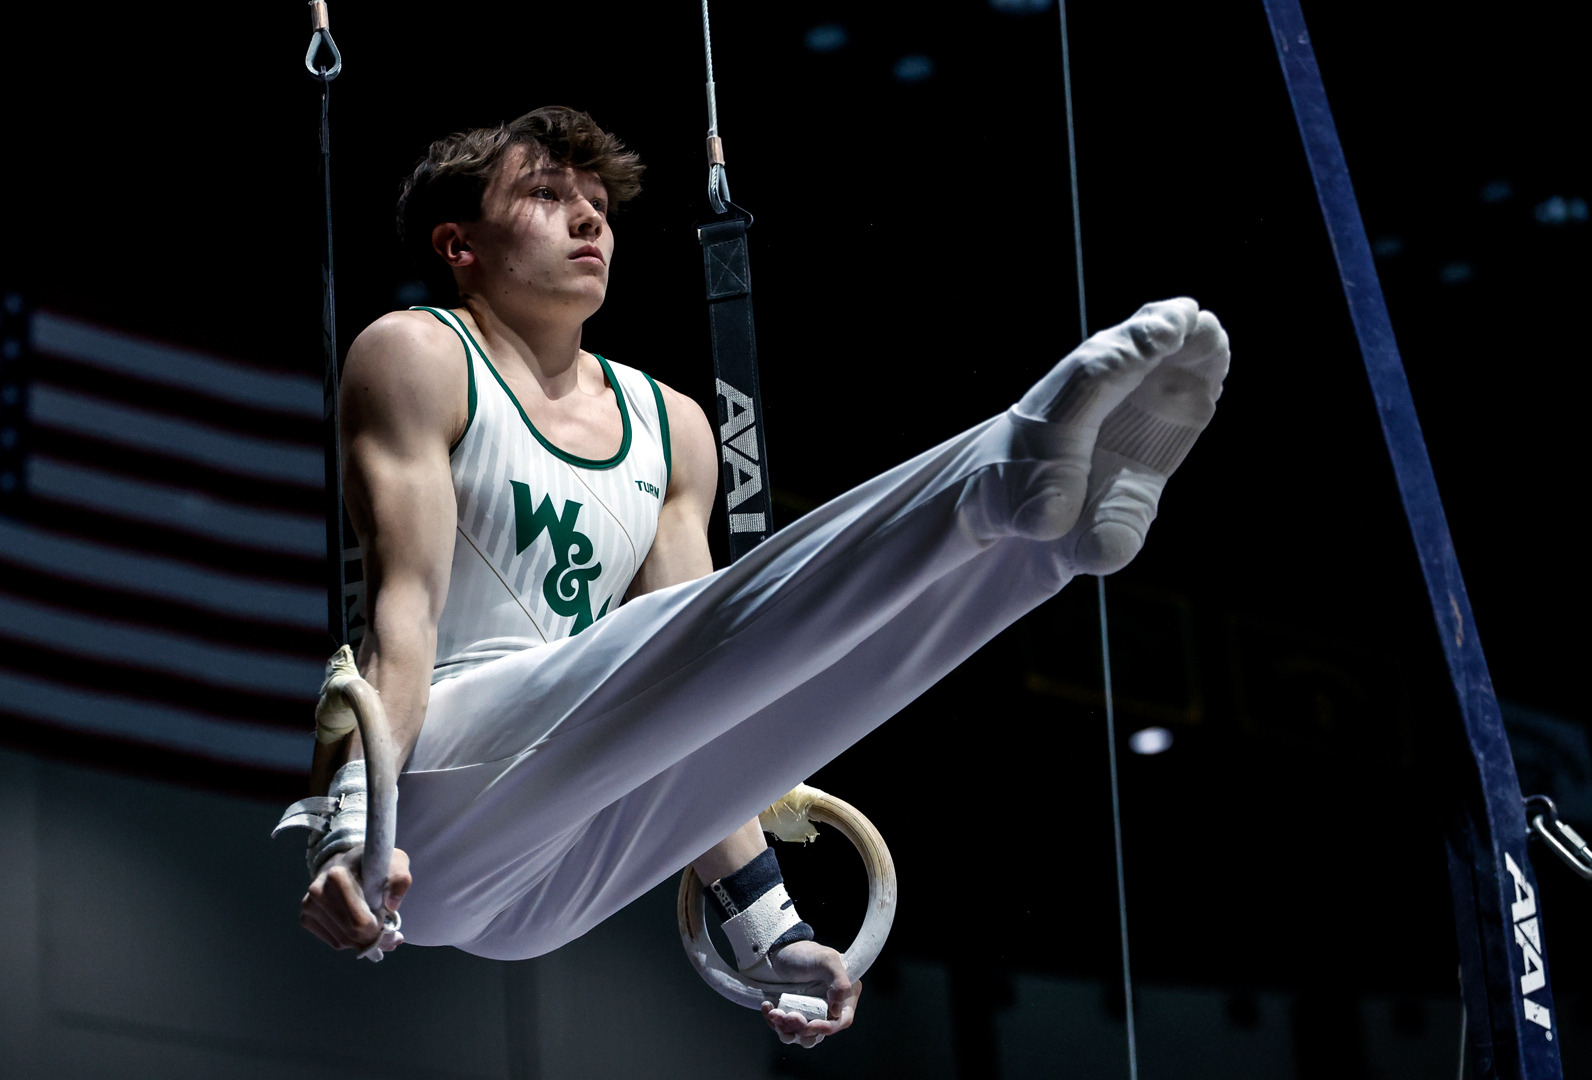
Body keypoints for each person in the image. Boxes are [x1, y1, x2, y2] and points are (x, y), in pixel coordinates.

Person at [291, 106, 1229, 1048]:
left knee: (792, 681)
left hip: (567, 859)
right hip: (441, 807)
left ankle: (1048, 550)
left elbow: (708, 676)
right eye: (545, 196)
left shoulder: (673, 426)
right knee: (702, 634)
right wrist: (351, 829)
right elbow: (401, 620)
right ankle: (1001, 470)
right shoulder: (417, 354)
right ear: (458, 244)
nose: (589, 221)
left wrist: (771, 933)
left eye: (598, 204)